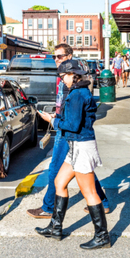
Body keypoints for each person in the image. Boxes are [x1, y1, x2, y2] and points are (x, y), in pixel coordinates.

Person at [27, 43, 110, 218]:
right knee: (84, 170)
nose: (56, 60)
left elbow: (76, 111)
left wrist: (54, 120)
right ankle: (102, 202)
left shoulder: (73, 82)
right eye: (54, 57)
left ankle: (49, 208)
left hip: (68, 130)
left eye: (60, 56)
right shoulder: (65, 77)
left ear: (70, 56)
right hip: (66, 126)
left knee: (56, 169)